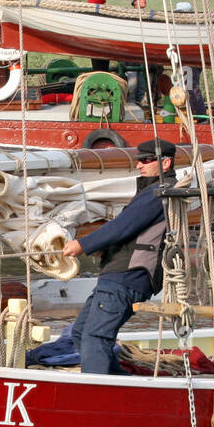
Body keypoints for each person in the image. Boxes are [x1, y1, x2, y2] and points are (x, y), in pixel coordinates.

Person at [60, 138, 176, 374]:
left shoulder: (158, 193)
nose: (140, 165)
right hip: (117, 277)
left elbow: (124, 225)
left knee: (95, 336)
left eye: (146, 160)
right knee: (82, 331)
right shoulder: (151, 192)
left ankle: (97, 393)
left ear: (166, 164)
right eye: (139, 160)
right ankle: (117, 381)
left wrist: (83, 244)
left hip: (126, 278)